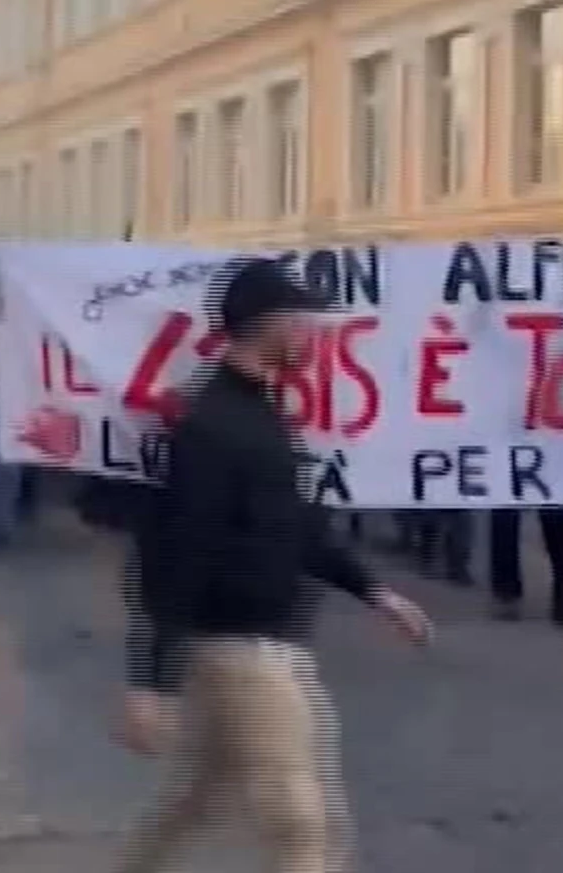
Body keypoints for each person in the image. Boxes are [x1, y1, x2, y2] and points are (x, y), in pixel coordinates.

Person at [115, 258, 433, 873]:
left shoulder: (263, 416)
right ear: (268, 324)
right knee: (299, 821)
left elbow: (300, 527)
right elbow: (172, 552)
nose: (312, 334)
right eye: (303, 320)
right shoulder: (209, 424)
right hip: (234, 645)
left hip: (273, 640)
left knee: (193, 800)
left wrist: (373, 591)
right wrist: (149, 680)